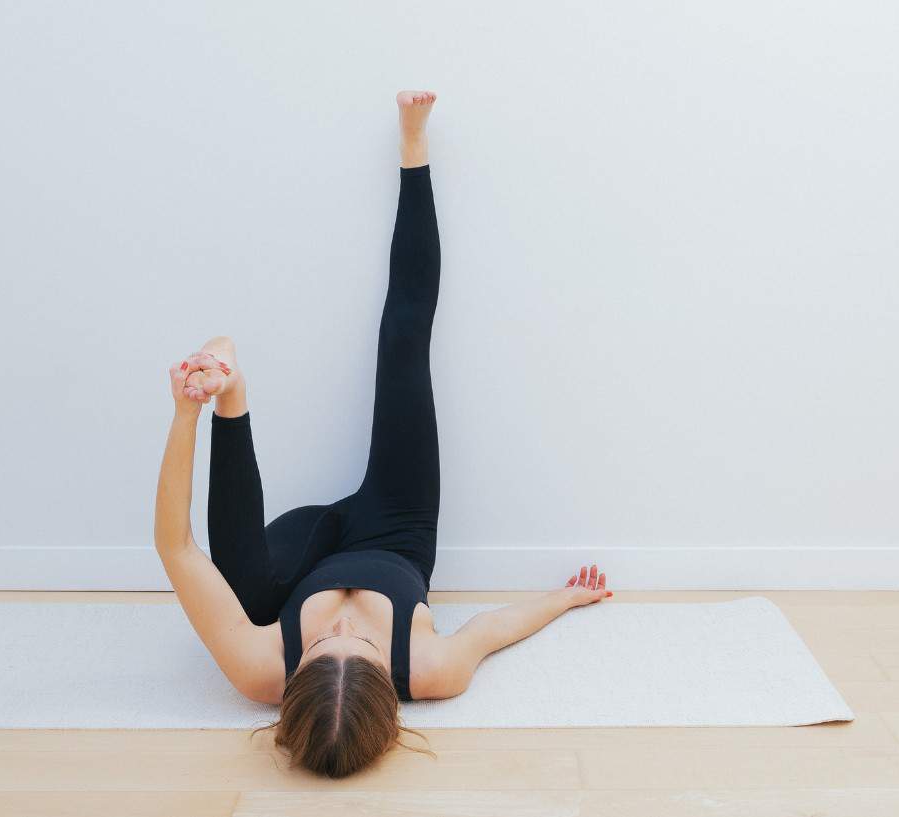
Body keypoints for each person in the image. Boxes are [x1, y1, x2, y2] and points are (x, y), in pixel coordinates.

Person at [153, 90, 614, 778]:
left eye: (318, 650)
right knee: (403, 340)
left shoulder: (258, 672)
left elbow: (175, 545)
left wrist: (183, 413)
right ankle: (414, 150)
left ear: (290, 685)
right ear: (391, 685)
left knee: (244, 593)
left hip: (308, 548)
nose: (339, 629)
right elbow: (490, 630)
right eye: (360, 647)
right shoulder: (429, 667)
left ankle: (228, 393)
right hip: (398, 526)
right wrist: (565, 597)